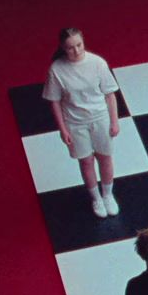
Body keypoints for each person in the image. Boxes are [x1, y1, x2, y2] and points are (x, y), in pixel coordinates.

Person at [42, 27, 122, 217]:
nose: (76, 51)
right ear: (63, 48)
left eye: (79, 45)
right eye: (70, 48)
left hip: (100, 117)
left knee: (105, 157)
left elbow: (110, 95)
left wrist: (114, 121)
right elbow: (54, 101)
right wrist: (63, 129)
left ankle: (108, 195)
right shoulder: (56, 70)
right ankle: (96, 198)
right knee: (86, 162)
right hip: (75, 122)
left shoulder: (97, 63)